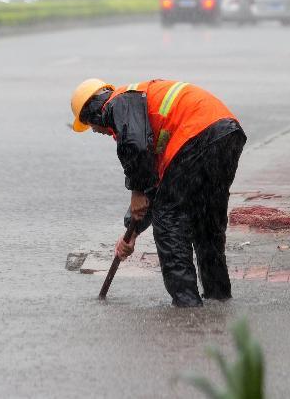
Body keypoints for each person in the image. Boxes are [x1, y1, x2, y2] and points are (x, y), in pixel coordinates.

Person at [70, 78, 246, 307]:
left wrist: (137, 191)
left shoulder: (120, 103)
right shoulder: (142, 111)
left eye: (92, 126)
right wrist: (131, 232)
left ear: (92, 112)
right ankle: (218, 295)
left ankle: (186, 304)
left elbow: (134, 146)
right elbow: (157, 185)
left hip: (197, 135)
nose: (97, 131)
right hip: (226, 134)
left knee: (168, 220)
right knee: (206, 221)